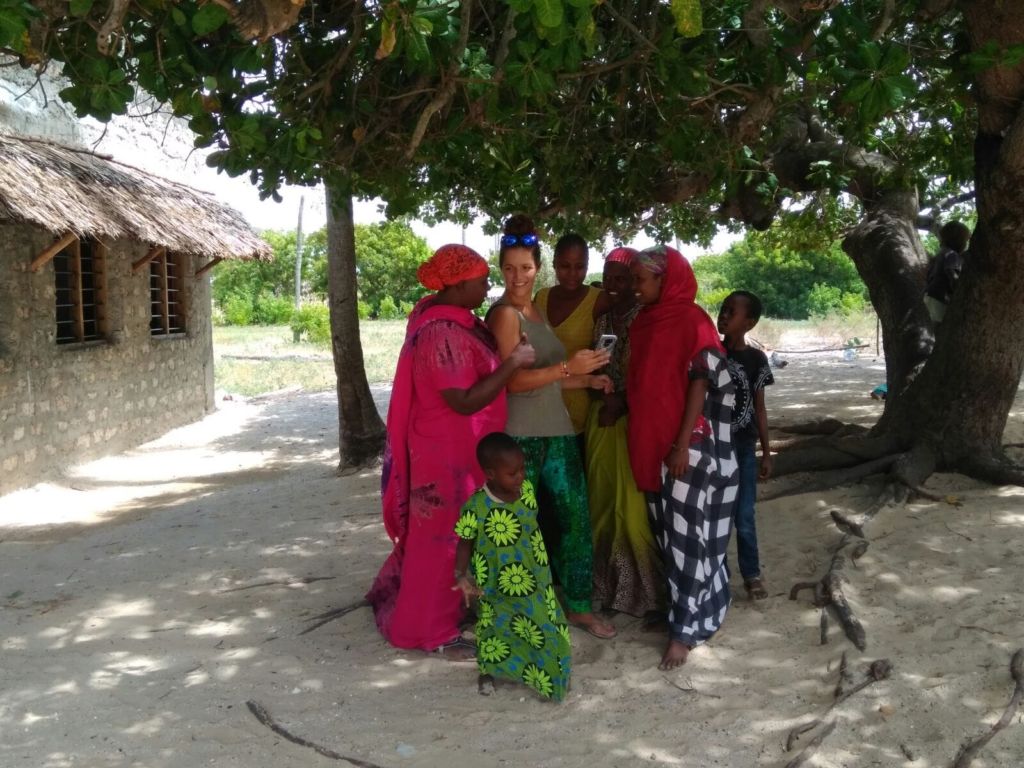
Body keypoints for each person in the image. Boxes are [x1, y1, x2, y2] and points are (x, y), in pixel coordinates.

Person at [366, 244, 536, 659]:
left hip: (457, 448)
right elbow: (463, 401)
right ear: (458, 285)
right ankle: (428, 630)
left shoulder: (453, 319)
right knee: (443, 539)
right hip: (444, 453)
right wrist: (513, 363)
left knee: (454, 535)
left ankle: (447, 612)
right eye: (481, 281)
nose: (487, 287)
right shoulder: (441, 333)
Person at [486, 214, 617, 640]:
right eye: (509, 268)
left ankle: (578, 607)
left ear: (537, 268)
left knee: (575, 521)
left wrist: (585, 380)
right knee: (519, 525)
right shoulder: (506, 315)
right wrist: (567, 368)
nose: (518, 276)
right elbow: (513, 382)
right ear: (500, 269)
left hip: (558, 431)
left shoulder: (535, 310)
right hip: (520, 436)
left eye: (525, 267)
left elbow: (547, 378)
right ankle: (515, 612)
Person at [627, 245, 738, 670]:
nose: (635, 288)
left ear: (665, 279)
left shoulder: (692, 321)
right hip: (650, 442)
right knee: (668, 538)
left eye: (641, 280)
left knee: (689, 538)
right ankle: (683, 610)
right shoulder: (644, 321)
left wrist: (681, 444)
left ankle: (685, 632)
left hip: (682, 448)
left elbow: (701, 382)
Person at [453, 432, 572, 701]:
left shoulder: (527, 490)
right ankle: (488, 671)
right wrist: (461, 574)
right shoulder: (476, 506)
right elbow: (464, 543)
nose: (520, 476)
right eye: (512, 473)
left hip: (535, 577)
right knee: (495, 627)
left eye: (522, 469)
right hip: (495, 584)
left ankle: (552, 674)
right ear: (490, 474)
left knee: (543, 623)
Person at [585, 247, 665, 619]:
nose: (615, 285)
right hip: (601, 419)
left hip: (633, 420)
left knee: (631, 510)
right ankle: (609, 587)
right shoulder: (602, 318)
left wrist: (621, 401)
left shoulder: (647, 318)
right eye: (609, 277)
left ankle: (642, 591)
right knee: (602, 503)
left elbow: (651, 376)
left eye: (624, 278)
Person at [717, 290, 774, 601]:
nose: (724, 315)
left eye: (732, 312)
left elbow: (760, 408)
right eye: (723, 309)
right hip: (714, 448)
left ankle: (751, 574)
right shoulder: (710, 353)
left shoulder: (756, 359)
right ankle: (719, 575)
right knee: (718, 516)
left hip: (743, 448)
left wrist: (766, 452)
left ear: (749, 323)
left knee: (745, 516)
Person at [535, 234, 611, 441]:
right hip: (539, 401)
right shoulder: (541, 297)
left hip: (577, 408)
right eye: (565, 266)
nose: (572, 274)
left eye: (580, 267)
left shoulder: (599, 300)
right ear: (554, 264)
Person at [924, 221, 971, 323]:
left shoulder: (941, 253)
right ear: (959, 241)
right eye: (966, 241)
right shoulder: (952, 254)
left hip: (930, 296)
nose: (966, 244)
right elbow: (950, 271)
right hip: (940, 297)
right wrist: (957, 287)